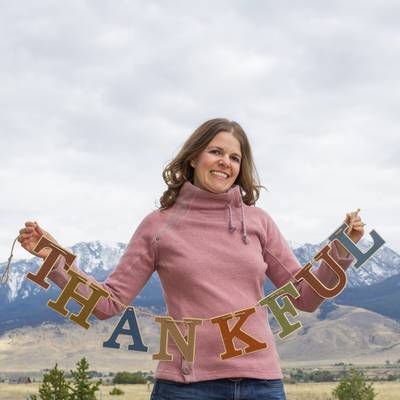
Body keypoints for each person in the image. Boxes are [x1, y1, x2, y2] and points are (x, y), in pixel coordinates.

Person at [18, 118, 364, 400]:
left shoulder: (259, 222)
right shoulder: (159, 226)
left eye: (234, 157)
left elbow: (305, 298)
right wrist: (55, 259)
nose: (225, 162)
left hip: (261, 384)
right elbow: (108, 303)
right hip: (185, 388)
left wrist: (341, 249)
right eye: (216, 151)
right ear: (195, 157)